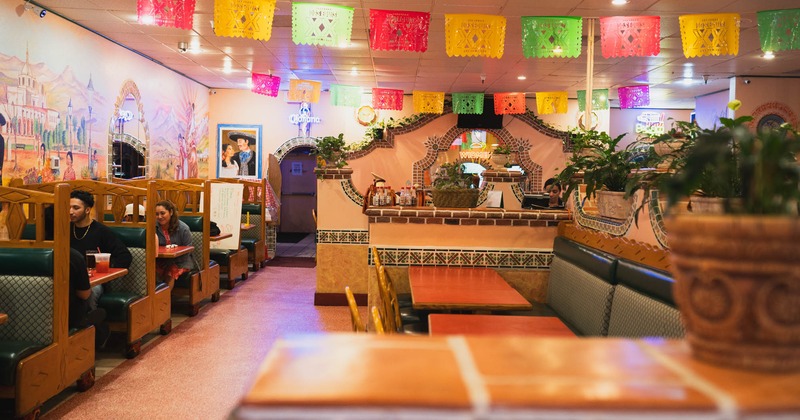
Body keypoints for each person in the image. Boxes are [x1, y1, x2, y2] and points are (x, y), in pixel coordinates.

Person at [69, 190, 133, 312]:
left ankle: (90, 325)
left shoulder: (101, 231)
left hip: (95, 282)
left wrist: (102, 265)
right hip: (71, 278)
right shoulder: (64, 230)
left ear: (87, 210)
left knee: (91, 292)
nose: (70, 212)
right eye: (69, 207)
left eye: (76, 208)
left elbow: (125, 257)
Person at [154, 200, 195, 286]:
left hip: (181, 262)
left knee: (170, 271)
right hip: (161, 260)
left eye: (162, 213)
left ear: (171, 212)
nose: (159, 217)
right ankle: (156, 297)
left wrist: (172, 259)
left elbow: (189, 250)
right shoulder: (153, 227)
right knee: (152, 270)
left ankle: (165, 298)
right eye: (157, 214)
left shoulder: (183, 228)